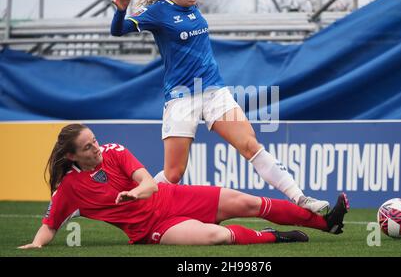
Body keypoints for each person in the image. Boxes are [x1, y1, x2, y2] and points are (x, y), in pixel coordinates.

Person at [110, 0, 330, 214]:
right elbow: (118, 31)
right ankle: (122, 201)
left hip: (214, 92)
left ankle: (301, 198)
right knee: (173, 174)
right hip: (182, 98)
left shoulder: (193, 8)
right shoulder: (159, 12)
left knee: (250, 145)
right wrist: (120, 11)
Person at [19, 124, 349, 248]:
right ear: (72, 154)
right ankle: (274, 237)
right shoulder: (70, 188)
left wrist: (134, 192)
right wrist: (36, 245)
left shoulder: (115, 152)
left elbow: (148, 183)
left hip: (175, 197)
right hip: (154, 228)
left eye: (95, 140)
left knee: (248, 202)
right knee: (215, 236)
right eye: (89, 146)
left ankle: (326, 223)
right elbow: (50, 225)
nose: (97, 147)